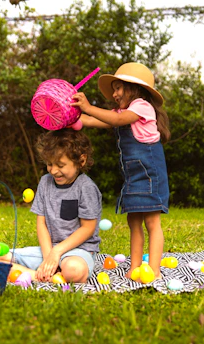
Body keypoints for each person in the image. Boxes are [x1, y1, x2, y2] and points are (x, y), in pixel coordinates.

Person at [71, 62, 170, 281]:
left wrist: (87, 107)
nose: (114, 94)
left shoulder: (142, 106)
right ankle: (136, 266)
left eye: (118, 88)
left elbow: (115, 119)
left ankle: (153, 269)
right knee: (133, 222)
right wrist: (73, 119)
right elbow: (95, 119)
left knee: (152, 222)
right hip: (133, 176)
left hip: (150, 175)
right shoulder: (122, 112)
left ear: (133, 88)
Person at [0, 129, 102, 283]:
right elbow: (41, 223)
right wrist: (49, 258)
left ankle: (39, 275)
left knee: (74, 270)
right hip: (48, 250)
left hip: (78, 252)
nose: (53, 170)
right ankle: (41, 276)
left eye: (60, 165)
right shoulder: (45, 182)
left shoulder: (86, 187)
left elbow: (88, 228)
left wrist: (57, 252)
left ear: (81, 161)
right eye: (49, 164)